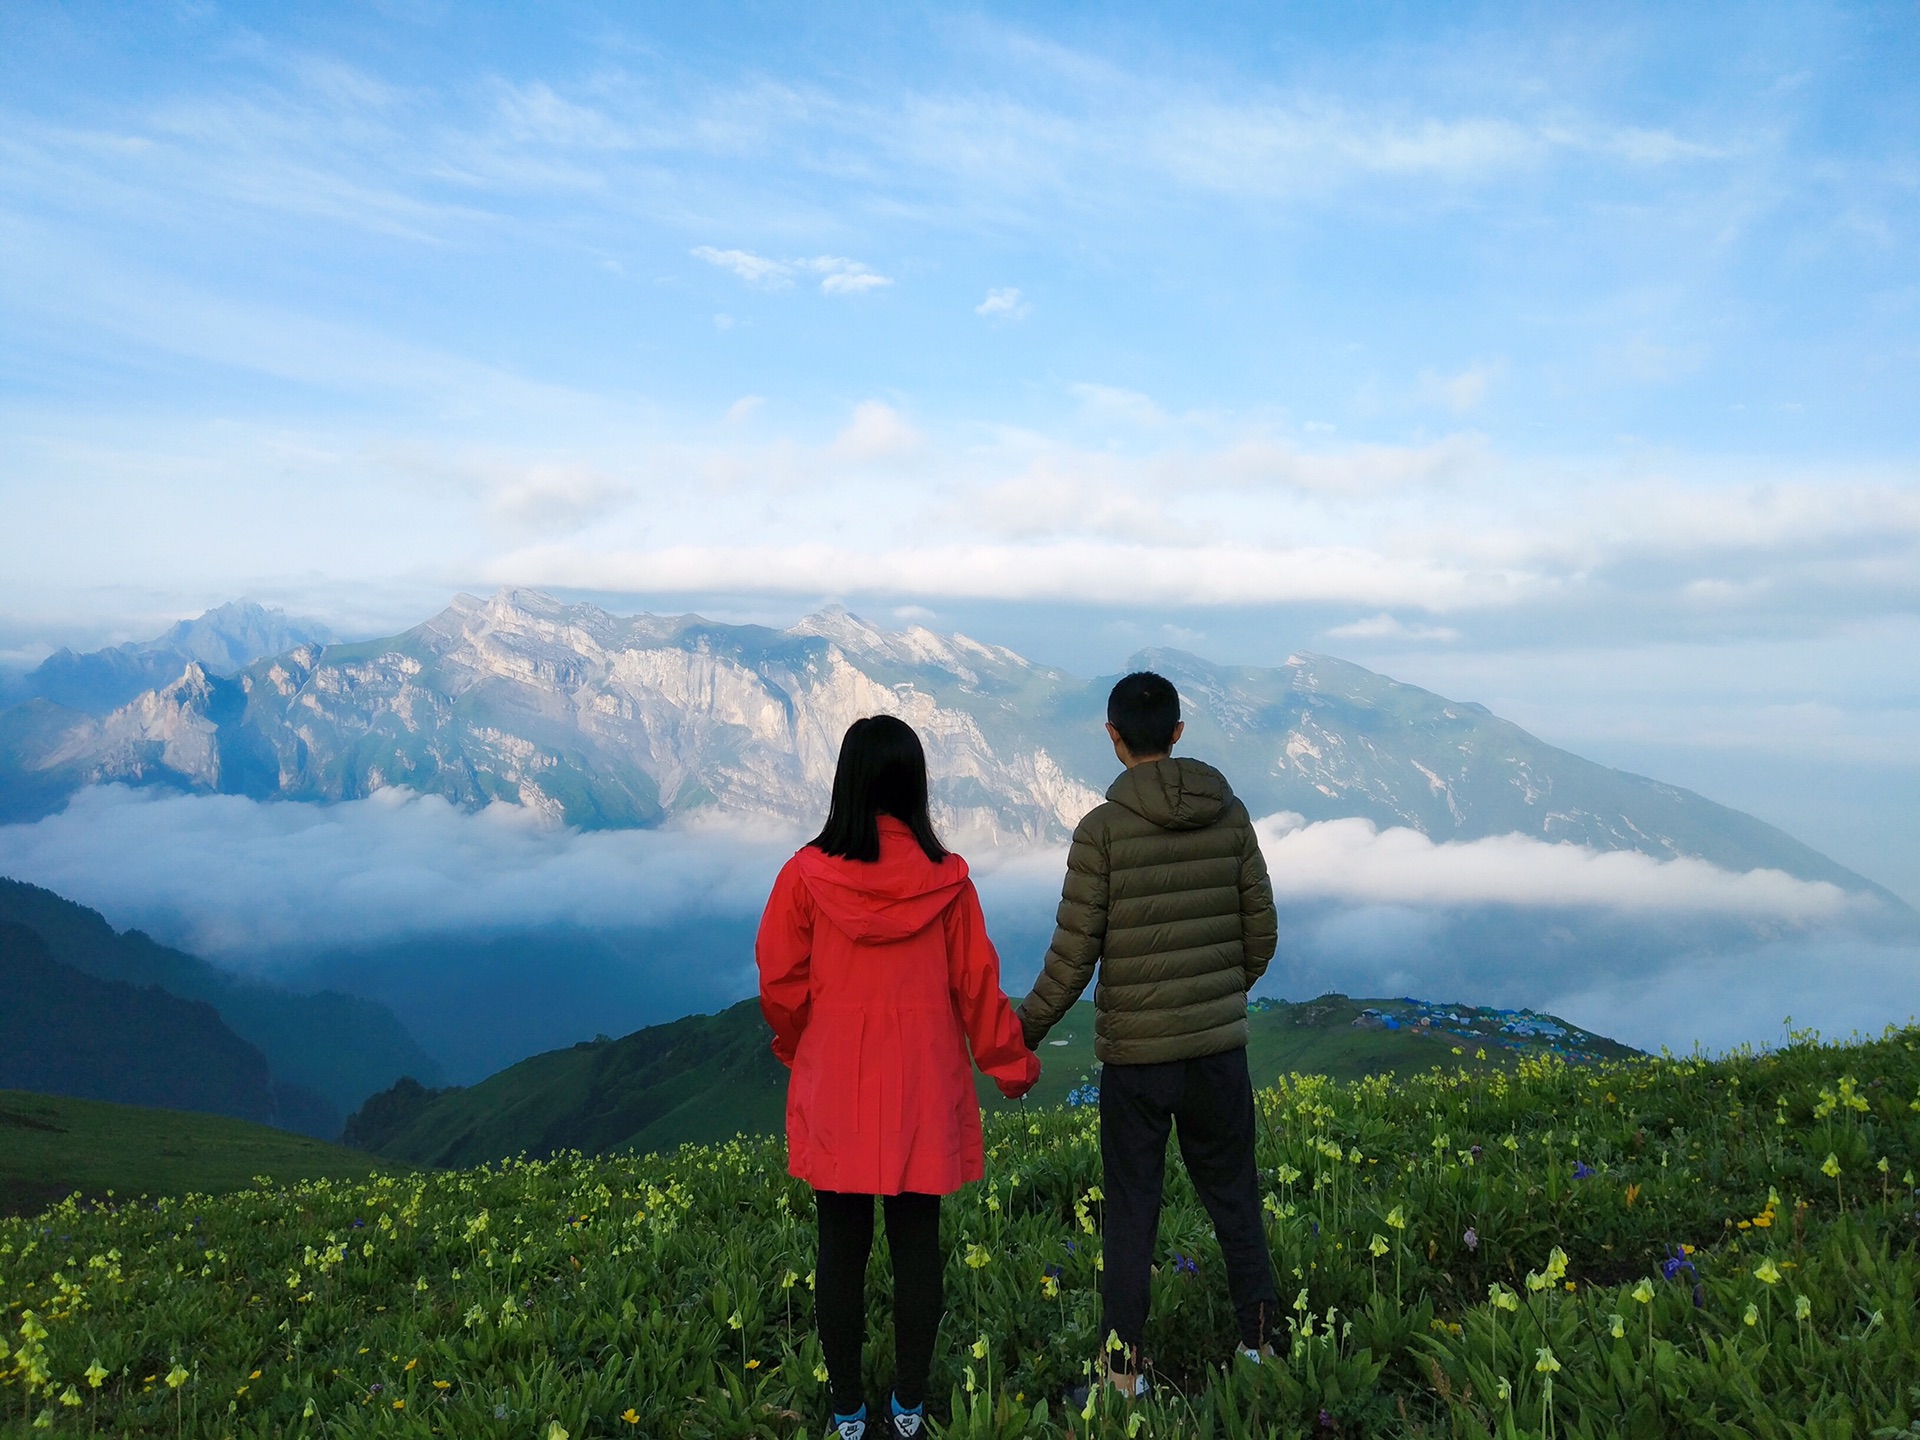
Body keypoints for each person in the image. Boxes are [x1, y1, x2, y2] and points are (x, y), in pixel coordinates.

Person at [757, 714, 1041, 1440]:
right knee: (918, 1245)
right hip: (922, 1090)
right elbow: (979, 987)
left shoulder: (802, 877)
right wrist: (1010, 1066)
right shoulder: (948, 884)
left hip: (838, 1088)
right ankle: (909, 1405)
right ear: (916, 786)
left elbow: (781, 983)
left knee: (839, 1251)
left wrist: (797, 1048)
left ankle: (848, 1409)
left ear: (845, 782)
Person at [1016, 670, 1280, 1396]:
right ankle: (1261, 1354)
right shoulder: (1231, 818)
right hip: (1218, 1054)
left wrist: (1021, 1033)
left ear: (1111, 737)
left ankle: (1122, 1378)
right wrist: (1220, 996)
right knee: (1235, 1199)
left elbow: (1073, 959)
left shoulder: (1100, 833)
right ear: (1178, 733)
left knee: (1132, 1215)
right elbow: (1262, 931)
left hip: (1137, 1066)